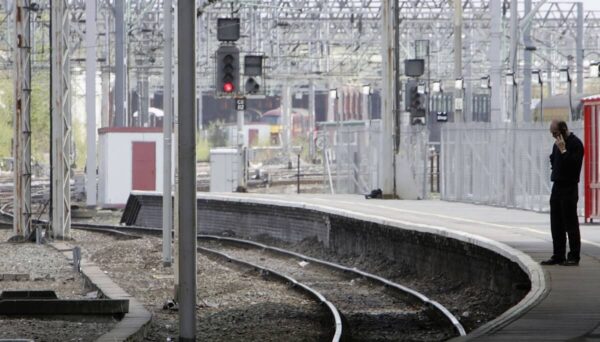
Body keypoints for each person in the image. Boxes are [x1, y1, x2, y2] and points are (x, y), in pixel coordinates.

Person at [541, 120, 584, 266]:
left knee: (570, 223)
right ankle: (558, 255)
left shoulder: (575, 144)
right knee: (556, 223)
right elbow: (555, 162)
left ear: (563, 129)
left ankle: (573, 256)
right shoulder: (556, 144)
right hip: (557, 186)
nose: (554, 137)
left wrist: (564, 150)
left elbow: (573, 165)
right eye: (552, 134)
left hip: (569, 187)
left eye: (556, 133)